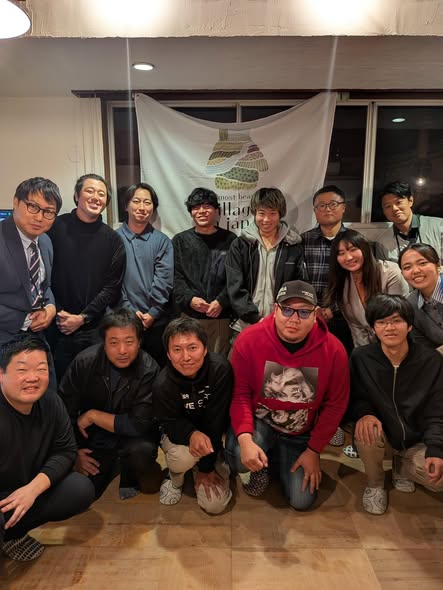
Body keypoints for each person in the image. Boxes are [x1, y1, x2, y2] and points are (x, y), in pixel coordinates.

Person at [226, 280, 349, 510]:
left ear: (316, 315)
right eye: (287, 309)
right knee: (237, 456)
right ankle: (262, 463)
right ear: (275, 310)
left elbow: (336, 405)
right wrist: (245, 440)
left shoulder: (334, 350)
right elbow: (239, 394)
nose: (294, 319)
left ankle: (274, 460)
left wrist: (314, 450)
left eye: (304, 312)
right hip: (260, 424)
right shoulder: (248, 340)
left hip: (299, 433)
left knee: (301, 501)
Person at [0, 335, 94, 561]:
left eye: (41, 369)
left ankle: (14, 533)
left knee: (79, 489)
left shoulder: (50, 402)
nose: (33, 377)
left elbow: (66, 450)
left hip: (23, 489)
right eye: (22, 370)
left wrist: (32, 490)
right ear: (1, 373)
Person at [349, 294, 443, 515]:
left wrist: (436, 448)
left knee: (438, 480)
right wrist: (365, 413)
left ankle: (402, 467)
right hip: (383, 436)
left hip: (418, 441)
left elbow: (437, 409)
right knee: (366, 429)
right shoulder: (361, 358)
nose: (389, 328)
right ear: (373, 328)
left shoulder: (430, 360)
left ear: (409, 326)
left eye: (397, 321)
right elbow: (356, 396)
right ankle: (375, 484)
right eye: (382, 322)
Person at [58, 308, 161, 500]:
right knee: (84, 491)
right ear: (103, 343)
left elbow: (139, 423)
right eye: (114, 342)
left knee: (142, 453)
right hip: (95, 436)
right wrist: (73, 452)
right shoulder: (85, 362)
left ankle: (129, 471)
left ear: (139, 342)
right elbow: (64, 411)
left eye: (129, 342)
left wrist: (93, 415)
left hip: (133, 436)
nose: (122, 350)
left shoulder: (149, 369)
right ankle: (110, 463)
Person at [48, 173, 126, 380]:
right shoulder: (54, 228)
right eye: (89, 191)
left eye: (101, 194)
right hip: (56, 323)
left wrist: (82, 318)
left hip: (93, 327)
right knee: (58, 383)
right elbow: (43, 275)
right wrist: (60, 313)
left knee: (94, 383)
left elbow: (112, 287)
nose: (95, 197)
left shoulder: (113, 240)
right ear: (76, 196)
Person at [153, 317, 233, 514]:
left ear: (205, 349)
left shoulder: (220, 370)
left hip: (212, 439)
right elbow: (169, 423)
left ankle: (207, 465)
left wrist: (206, 468)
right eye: (177, 350)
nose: (186, 357)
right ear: (168, 354)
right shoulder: (162, 384)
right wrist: (191, 434)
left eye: (192, 348)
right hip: (179, 439)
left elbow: (217, 420)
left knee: (215, 506)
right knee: (182, 458)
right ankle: (176, 478)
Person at [226, 187, 307, 337]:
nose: (266, 219)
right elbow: (234, 286)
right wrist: (254, 318)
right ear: (254, 213)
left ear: (280, 214)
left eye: (272, 213)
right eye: (261, 213)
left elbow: (298, 286)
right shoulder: (241, 245)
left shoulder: (292, 246)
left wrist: (284, 315)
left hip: (281, 324)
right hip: (244, 325)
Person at [172, 188, 236, 356]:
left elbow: (236, 278)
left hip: (220, 318)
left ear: (216, 211)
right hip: (189, 316)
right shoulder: (180, 241)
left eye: (207, 206)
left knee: (219, 363)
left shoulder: (230, 240)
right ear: (191, 212)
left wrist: (221, 301)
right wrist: (190, 299)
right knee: (189, 360)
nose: (201, 211)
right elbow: (175, 278)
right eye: (196, 207)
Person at [0, 177, 62, 346]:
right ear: (15, 202)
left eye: (48, 212)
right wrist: (25, 320)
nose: (40, 217)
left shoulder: (45, 241)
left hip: (37, 338)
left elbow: (44, 286)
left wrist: (51, 307)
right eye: (33, 207)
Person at [117, 182, 173, 366]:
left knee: (156, 370)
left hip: (156, 322)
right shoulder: (113, 239)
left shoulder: (162, 241)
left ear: (153, 208)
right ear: (126, 205)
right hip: (122, 320)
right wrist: (130, 311)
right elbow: (113, 281)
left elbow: (164, 280)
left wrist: (153, 312)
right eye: (136, 201)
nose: (142, 207)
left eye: (147, 203)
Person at [324, 229, 409, 347]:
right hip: (366, 347)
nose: (348, 257)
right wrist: (365, 354)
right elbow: (356, 329)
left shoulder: (390, 273)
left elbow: (398, 319)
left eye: (353, 249)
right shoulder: (344, 283)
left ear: (365, 249)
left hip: (397, 342)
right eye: (341, 253)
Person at [301, 185, 353, 355]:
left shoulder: (355, 242)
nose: (327, 209)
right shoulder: (303, 241)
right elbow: (298, 278)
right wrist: (312, 307)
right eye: (321, 205)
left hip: (346, 317)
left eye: (333, 204)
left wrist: (334, 309)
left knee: (341, 361)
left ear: (343, 207)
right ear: (315, 211)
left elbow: (359, 282)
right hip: (308, 316)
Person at [377, 181, 443, 262]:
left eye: (398, 202)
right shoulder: (382, 243)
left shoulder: (439, 226)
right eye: (388, 206)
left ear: (410, 201)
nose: (394, 209)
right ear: (383, 211)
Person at [399, 243, 443, 350]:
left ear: (438, 265)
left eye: (422, 263)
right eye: (407, 267)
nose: (416, 271)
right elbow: (424, 348)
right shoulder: (410, 305)